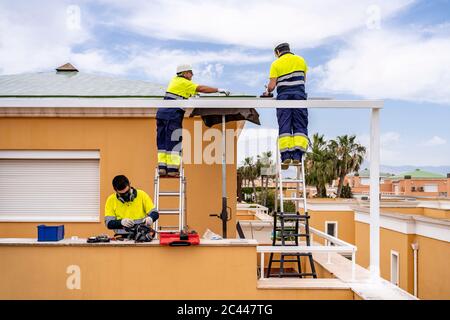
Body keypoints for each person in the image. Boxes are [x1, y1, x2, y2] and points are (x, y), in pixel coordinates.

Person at [157, 64, 230, 176]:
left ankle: (162, 168)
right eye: (191, 72)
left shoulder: (175, 82)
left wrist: (195, 95)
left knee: (162, 142)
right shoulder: (183, 82)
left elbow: (190, 92)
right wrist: (218, 90)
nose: (192, 75)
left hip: (162, 114)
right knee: (174, 140)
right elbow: (200, 88)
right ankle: (172, 170)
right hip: (172, 114)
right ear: (185, 73)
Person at [263, 43, 309, 169]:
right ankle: (297, 157)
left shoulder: (276, 64)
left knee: (285, 125)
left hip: (284, 98)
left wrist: (268, 90)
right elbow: (303, 80)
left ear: (278, 52)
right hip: (299, 96)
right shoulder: (301, 60)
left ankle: (286, 157)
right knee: (300, 124)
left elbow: (272, 86)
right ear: (289, 50)